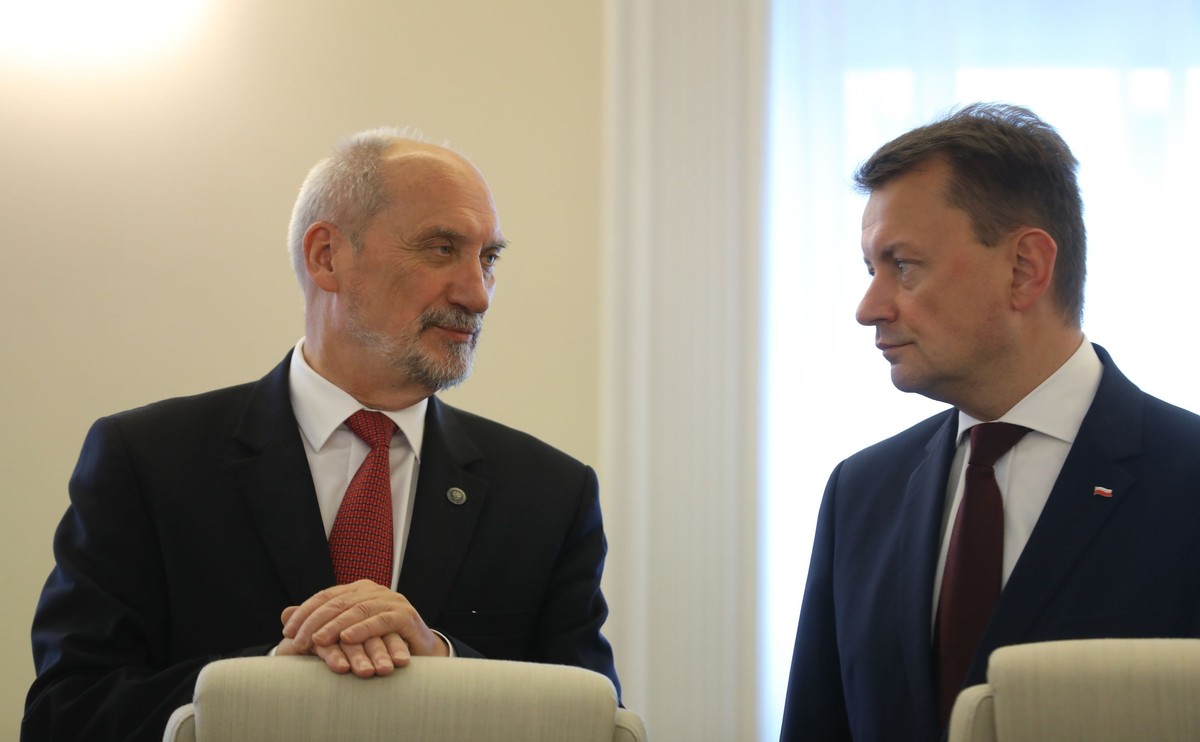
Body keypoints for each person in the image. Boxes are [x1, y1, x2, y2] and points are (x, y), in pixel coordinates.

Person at [23, 128, 620, 742]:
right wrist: (264, 685)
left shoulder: (549, 495)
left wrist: (443, 662)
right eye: (441, 249)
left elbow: (593, 720)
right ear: (327, 256)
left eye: (488, 259)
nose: (477, 294)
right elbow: (67, 714)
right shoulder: (148, 462)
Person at [779, 103, 1200, 742]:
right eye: (871, 270)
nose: (869, 308)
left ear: (1024, 268)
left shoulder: (1187, 479)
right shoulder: (860, 493)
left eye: (903, 265)